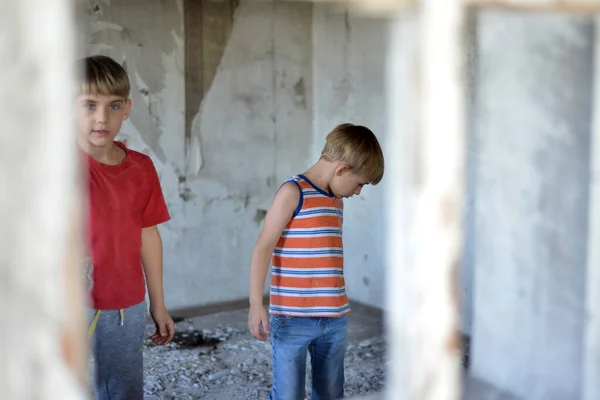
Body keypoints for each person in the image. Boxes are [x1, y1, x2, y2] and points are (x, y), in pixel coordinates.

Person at [248, 123, 385, 400]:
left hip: (333, 320)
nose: (358, 192)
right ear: (342, 169)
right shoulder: (293, 192)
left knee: (331, 392)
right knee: (289, 395)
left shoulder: (336, 200)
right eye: (359, 184)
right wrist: (255, 304)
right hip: (292, 318)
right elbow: (263, 247)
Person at [76, 54, 175, 399]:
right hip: (68, 305)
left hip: (125, 306)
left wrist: (157, 303)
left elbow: (149, 235)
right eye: (89, 105)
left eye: (113, 105)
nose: (102, 117)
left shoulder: (141, 168)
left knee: (122, 389)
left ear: (127, 109)